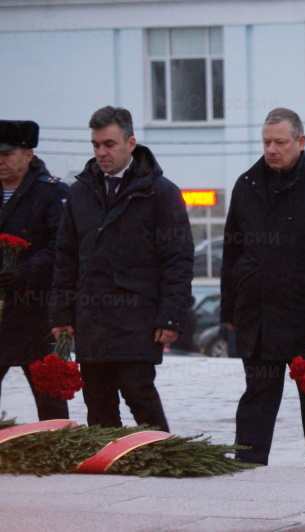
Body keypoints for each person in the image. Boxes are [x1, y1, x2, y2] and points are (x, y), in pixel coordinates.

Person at [221, 108, 305, 467]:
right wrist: (229, 308)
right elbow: (232, 251)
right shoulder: (246, 185)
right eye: (266, 142)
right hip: (257, 314)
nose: (271, 149)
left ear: (301, 141)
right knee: (258, 395)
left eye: (280, 142)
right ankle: (248, 461)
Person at [50, 106, 193, 432]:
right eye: (96, 145)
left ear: (131, 143)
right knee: (98, 406)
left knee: (139, 392)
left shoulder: (161, 193)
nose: (102, 152)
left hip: (138, 318)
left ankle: (161, 458)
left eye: (109, 144)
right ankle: (108, 467)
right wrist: (61, 314)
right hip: (92, 320)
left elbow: (178, 260)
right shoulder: (79, 193)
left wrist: (172, 316)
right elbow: (66, 258)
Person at [0, 120, 69, 421]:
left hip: (36, 312)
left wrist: (26, 270)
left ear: (28, 155)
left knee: (49, 392)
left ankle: (57, 448)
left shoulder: (51, 194)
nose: (0, 161)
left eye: (7, 154)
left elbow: (63, 248)